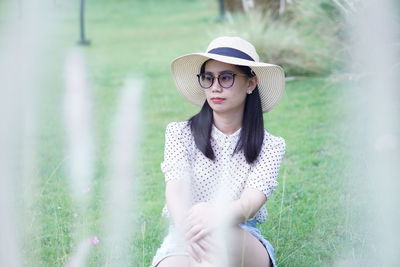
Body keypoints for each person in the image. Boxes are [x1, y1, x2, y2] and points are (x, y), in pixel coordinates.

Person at [151, 36, 286, 267]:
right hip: (186, 232)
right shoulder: (179, 133)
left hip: (239, 236)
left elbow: (248, 205)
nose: (215, 87)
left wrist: (213, 214)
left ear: (251, 83)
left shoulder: (271, 145)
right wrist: (191, 230)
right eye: (208, 78)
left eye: (226, 78)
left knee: (218, 235)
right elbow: (176, 191)